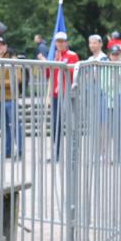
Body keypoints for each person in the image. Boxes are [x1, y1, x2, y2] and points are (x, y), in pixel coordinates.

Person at [0, 37, 24, 159]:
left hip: (10, 98)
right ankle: (7, 152)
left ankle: (20, 151)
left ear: (6, 47)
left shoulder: (12, 60)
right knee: (3, 127)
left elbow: (18, 79)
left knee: (15, 125)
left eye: (2, 45)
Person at [49, 31, 79, 161]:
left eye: (62, 41)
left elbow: (75, 71)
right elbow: (49, 74)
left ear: (66, 42)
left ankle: (72, 154)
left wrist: (62, 65)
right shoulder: (55, 56)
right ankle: (57, 153)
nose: (60, 44)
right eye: (58, 41)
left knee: (70, 123)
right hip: (56, 95)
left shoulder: (72, 55)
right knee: (56, 124)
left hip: (67, 94)